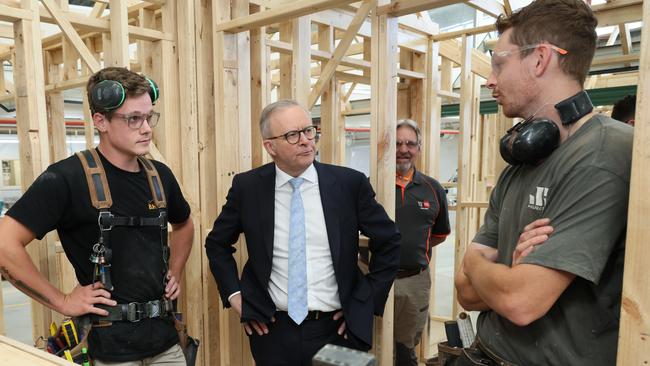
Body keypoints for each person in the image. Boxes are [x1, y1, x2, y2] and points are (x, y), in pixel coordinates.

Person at [454, 1, 633, 365]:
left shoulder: (604, 155)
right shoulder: (521, 162)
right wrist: (505, 272)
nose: (490, 79)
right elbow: (464, 293)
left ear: (539, 59)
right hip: (484, 353)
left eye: (499, 63)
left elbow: (519, 302)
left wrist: (479, 264)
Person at [0, 67, 194, 365]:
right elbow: (4, 242)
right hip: (109, 350)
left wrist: (176, 271)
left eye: (149, 116)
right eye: (133, 119)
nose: (146, 128)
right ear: (100, 120)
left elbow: (184, 224)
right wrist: (62, 301)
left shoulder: (160, 176)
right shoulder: (67, 178)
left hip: (166, 343)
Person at [205, 99, 401, 365]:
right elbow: (217, 244)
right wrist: (235, 296)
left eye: (309, 131)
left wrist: (364, 301)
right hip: (271, 330)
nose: (306, 141)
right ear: (270, 146)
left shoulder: (349, 184)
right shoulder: (248, 187)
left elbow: (389, 241)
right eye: (292, 135)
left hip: (337, 330)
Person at [393, 119, 450, 366]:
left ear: (419, 148)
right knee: (374, 342)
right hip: (375, 278)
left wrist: (413, 252)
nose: (403, 149)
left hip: (415, 280)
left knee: (406, 347)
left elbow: (439, 233)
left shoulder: (432, 189)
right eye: (396, 143)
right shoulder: (371, 185)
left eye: (409, 143)